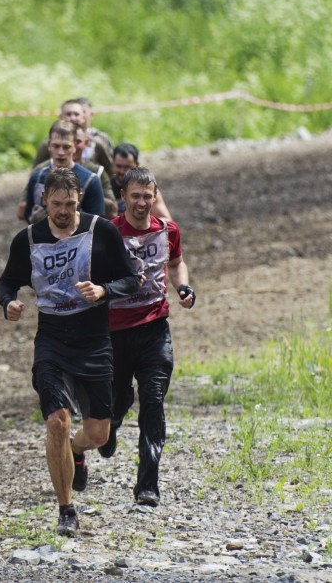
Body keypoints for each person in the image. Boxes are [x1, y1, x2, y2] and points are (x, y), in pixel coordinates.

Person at [0, 166, 138, 535]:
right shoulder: (28, 239)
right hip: (52, 340)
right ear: (44, 200)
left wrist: (104, 291)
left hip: (94, 339)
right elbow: (8, 282)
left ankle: (77, 450)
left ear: (79, 201)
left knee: (99, 435)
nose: (63, 211)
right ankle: (65, 509)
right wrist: (9, 303)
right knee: (57, 420)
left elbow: (131, 279)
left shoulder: (100, 231)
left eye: (70, 204)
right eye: (57, 204)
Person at [102, 166, 195, 507]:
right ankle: (110, 424)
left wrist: (183, 287)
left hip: (155, 328)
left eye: (147, 196)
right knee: (117, 399)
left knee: (153, 402)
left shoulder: (168, 230)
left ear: (155, 197)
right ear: (123, 197)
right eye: (135, 196)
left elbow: (176, 264)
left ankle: (147, 485)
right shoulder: (108, 233)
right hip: (114, 332)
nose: (141, 202)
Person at [18, 120, 106, 223]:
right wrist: (33, 220)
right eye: (56, 146)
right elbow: (28, 213)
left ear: (74, 147)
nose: (60, 152)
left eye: (66, 147)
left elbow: (98, 223)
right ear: (49, 146)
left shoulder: (90, 181)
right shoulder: (37, 178)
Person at [32, 99, 114, 177]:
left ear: (83, 117)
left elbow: (110, 171)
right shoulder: (47, 145)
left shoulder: (96, 144)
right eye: (68, 114)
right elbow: (36, 173)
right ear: (61, 117)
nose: (72, 118)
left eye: (76, 114)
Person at [112, 143, 172, 220]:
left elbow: (167, 220)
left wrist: (145, 226)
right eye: (119, 166)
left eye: (127, 167)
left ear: (137, 165)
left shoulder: (147, 190)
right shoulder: (104, 187)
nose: (123, 171)